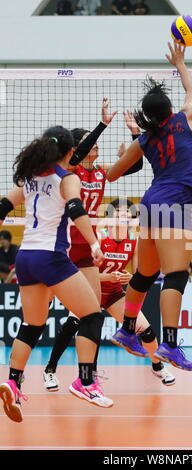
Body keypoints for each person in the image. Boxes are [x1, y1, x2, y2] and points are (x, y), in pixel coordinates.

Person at [0, 125, 117, 423]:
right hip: (50, 256)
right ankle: (86, 382)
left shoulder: (30, 176)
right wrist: (93, 243)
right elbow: (77, 209)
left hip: (25, 258)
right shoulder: (68, 178)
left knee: (33, 323)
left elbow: (3, 206)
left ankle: (13, 381)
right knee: (92, 316)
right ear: (69, 152)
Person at [106, 41, 192, 371]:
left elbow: (111, 175)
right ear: (169, 108)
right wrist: (180, 62)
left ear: (147, 116)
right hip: (174, 202)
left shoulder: (143, 140)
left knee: (144, 273)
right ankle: (171, 345)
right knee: (176, 274)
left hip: (149, 203)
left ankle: (127, 329)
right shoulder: (184, 119)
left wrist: (126, 152)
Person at [42, 101, 144, 390]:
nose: (96, 147)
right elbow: (81, 152)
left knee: (85, 315)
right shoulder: (69, 172)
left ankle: (81, 373)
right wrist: (101, 125)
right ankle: (41, 370)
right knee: (41, 314)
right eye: (90, 143)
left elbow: (133, 165)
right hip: (60, 242)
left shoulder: (100, 172)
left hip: (86, 244)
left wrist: (137, 135)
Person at [43, 198, 175, 390]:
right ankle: (50, 370)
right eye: (119, 212)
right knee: (72, 325)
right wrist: (107, 278)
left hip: (114, 294)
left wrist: (129, 277)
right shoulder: (99, 236)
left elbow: (137, 274)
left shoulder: (134, 240)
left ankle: (157, 366)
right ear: (111, 216)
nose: (124, 215)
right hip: (89, 290)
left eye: (128, 213)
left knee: (146, 330)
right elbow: (80, 271)